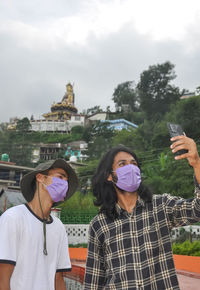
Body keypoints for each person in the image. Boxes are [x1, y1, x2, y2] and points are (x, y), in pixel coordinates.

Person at [83, 135, 200, 290]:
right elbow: (93, 281)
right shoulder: (99, 224)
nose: (130, 168)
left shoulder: (161, 206)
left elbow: (196, 209)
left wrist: (197, 163)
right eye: (122, 164)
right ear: (109, 175)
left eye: (134, 164)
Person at [0, 158, 79, 290]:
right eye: (60, 177)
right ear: (40, 178)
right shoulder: (13, 218)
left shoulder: (59, 227)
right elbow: (2, 277)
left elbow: (58, 278)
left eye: (66, 181)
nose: (64, 184)